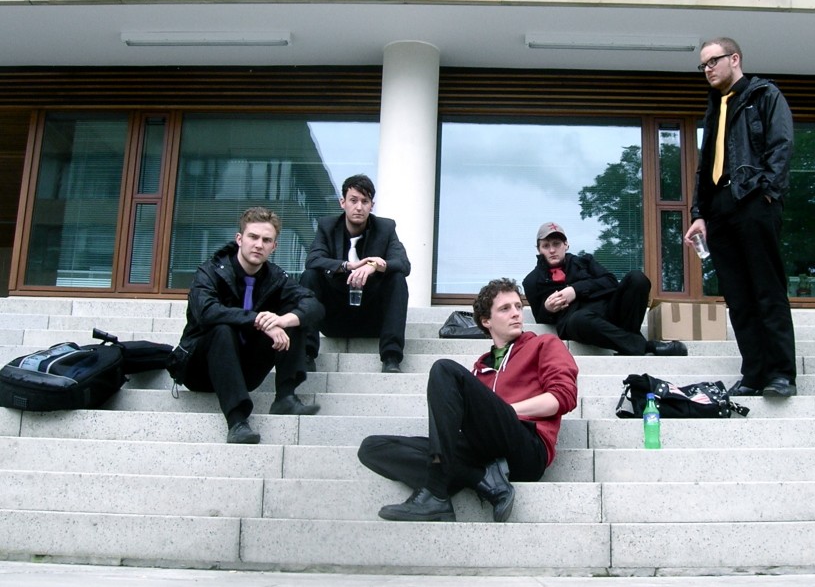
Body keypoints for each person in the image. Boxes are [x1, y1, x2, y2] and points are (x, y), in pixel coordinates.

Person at [357, 278, 579, 522]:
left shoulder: (544, 344)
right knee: (373, 448)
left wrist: (503, 411)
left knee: (444, 369)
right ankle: (481, 480)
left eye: (518, 306)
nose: (516, 313)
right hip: (483, 455)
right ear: (486, 321)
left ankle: (435, 492)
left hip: (526, 448)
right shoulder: (479, 369)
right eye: (505, 308)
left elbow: (562, 398)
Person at [683, 37, 797, 398]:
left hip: (753, 200)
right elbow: (705, 166)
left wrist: (767, 193)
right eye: (703, 65)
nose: (707, 69)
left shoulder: (763, 95)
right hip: (719, 209)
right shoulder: (715, 106)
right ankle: (753, 374)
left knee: (766, 288)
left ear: (734, 58)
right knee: (738, 297)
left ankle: (781, 374)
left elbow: (781, 145)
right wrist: (699, 213)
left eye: (713, 61)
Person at [175, 206, 324, 445]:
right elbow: (206, 312)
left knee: (292, 317)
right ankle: (237, 422)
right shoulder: (211, 270)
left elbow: (314, 305)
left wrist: (282, 321)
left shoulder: (276, 277)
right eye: (253, 237)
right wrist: (258, 320)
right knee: (222, 329)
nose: (258, 245)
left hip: (245, 370)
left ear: (274, 246)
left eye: (266, 240)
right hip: (198, 368)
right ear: (239, 239)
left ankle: (285, 398)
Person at [300, 174, 411, 374]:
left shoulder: (385, 228)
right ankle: (306, 354)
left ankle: (391, 357)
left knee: (397, 278)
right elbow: (313, 260)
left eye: (364, 201)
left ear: (372, 205)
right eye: (353, 200)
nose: (359, 207)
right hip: (335, 317)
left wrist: (374, 265)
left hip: (372, 318)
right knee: (310, 276)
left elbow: (403, 264)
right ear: (342, 202)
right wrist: (349, 265)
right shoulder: (327, 226)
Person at [523, 222, 687, 356]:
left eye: (556, 244)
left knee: (637, 278)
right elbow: (540, 318)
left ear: (566, 244)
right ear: (538, 249)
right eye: (546, 246)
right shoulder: (531, 282)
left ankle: (627, 343)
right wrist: (548, 308)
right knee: (579, 319)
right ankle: (645, 346)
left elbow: (610, 281)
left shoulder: (584, 261)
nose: (552, 250)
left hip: (608, 312)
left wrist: (575, 290)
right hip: (578, 322)